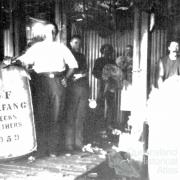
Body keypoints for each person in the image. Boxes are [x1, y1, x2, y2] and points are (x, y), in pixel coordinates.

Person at [18, 20, 78, 157]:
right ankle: (41, 150)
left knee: (56, 116)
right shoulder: (37, 47)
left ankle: (53, 150)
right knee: (41, 115)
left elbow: (73, 65)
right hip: (41, 83)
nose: (50, 33)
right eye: (48, 31)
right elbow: (24, 60)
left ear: (56, 33)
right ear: (44, 33)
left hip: (57, 82)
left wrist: (65, 78)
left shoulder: (61, 47)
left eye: (53, 31)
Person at [147, 40, 180, 180]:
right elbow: (160, 77)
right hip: (166, 91)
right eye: (173, 46)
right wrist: (163, 91)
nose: (175, 48)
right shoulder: (163, 60)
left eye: (177, 47)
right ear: (168, 48)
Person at [65, 35, 89, 151]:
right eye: (75, 42)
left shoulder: (81, 56)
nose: (77, 45)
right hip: (71, 89)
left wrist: (81, 75)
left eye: (79, 43)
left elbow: (85, 71)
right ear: (70, 43)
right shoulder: (66, 55)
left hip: (82, 88)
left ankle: (79, 143)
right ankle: (69, 144)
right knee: (70, 116)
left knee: (81, 116)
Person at [92, 44, 116, 130]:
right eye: (105, 50)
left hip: (111, 83)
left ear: (111, 52)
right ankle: (99, 124)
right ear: (102, 51)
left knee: (110, 104)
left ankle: (109, 124)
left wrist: (111, 77)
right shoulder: (98, 60)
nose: (107, 52)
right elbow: (94, 72)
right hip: (101, 83)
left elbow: (116, 72)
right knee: (100, 103)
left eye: (109, 50)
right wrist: (102, 76)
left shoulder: (113, 61)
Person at [116, 45, 133, 131]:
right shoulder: (121, 59)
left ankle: (131, 124)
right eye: (126, 50)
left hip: (133, 83)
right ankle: (124, 124)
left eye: (130, 50)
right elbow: (120, 69)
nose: (128, 52)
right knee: (125, 104)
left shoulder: (135, 59)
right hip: (125, 83)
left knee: (132, 104)